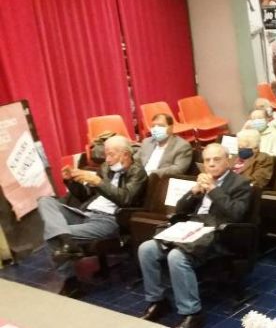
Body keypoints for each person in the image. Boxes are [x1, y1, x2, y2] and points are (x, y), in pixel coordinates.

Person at [139, 144, 252, 328]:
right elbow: (180, 209)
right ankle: (157, 301)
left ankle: (192, 313)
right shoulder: (201, 180)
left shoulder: (240, 183)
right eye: (207, 160)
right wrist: (194, 192)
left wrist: (213, 189)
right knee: (146, 249)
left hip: (218, 233)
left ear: (228, 161)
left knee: (177, 256)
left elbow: (235, 214)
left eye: (217, 159)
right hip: (192, 227)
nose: (211, 164)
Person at [38, 135, 147, 296]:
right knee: (45, 201)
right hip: (86, 213)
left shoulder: (137, 172)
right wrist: (71, 181)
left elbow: (126, 198)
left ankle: (71, 281)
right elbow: (85, 196)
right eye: (106, 154)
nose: (107, 159)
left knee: (52, 235)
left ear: (125, 154)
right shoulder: (105, 168)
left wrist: (98, 182)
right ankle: (67, 241)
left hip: (109, 219)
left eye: (111, 154)